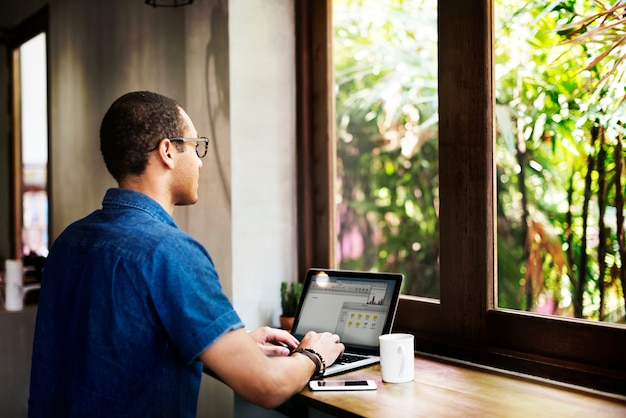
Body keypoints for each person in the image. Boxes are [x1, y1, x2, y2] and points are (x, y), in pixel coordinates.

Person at [28, 91, 345, 417]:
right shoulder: (170, 252)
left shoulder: (69, 240)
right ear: (167, 151)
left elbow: (118, 348)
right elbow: (266, 386)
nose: (200, 160)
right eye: (196, 146)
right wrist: (313, 355)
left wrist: (236, 346)